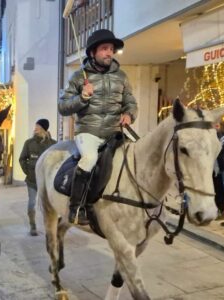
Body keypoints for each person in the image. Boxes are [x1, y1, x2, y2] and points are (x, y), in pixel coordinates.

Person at [58, 29, 138, 225]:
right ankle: (77, 207)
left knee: (137, 154)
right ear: (93, 52)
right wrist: (82, 97)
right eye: (104, 49)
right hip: (88, 131)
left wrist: (129, 114)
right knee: (90, 157)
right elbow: (63, 107)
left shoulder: (121, 76)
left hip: (114, 132)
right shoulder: (78, 76)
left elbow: (131, 102)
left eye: (111, 49)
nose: (109, 53)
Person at [19, 119, 56, 236]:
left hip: (47, 181)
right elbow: (22, 159)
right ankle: (33, 225)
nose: (35, 128)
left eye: (38, 127)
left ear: (44, 129)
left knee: (49, 204)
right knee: (31, 203)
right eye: (35, 126)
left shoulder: (53, 144)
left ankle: (50, 226)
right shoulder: (29, 143)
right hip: (32, 180)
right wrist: (28, 172)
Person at [214, 121, 224, 220]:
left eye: (216, 125)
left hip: (220, 167)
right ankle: (215, 210)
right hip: (211, 167)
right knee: (214, 189)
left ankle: (221, 211)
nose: (214, 127)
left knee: (220, 190)